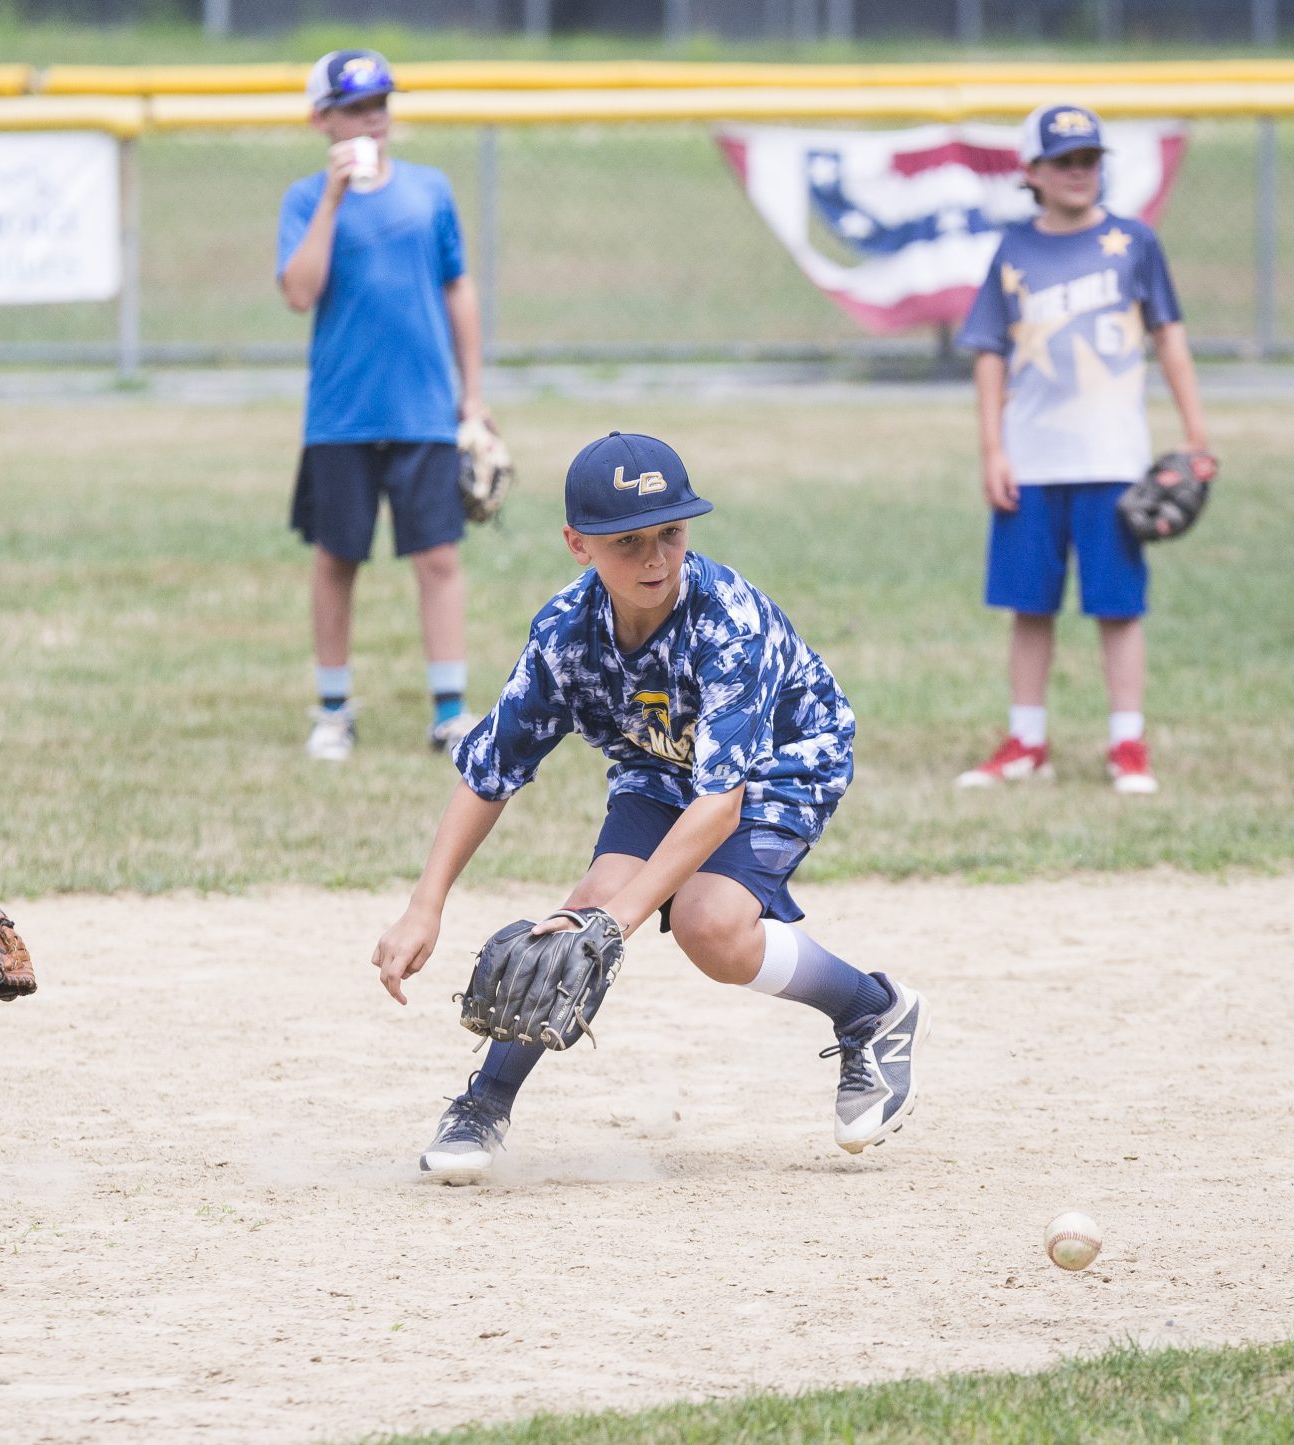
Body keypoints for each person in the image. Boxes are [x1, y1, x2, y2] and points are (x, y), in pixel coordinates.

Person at [372, 432, 928, 1184]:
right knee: (589, 903)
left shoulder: (726, 625)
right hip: (658, 761)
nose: (655, 558)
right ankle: (483, 1102)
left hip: (781, 766)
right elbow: (488, 771)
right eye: (626, 541)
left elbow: (720, 805)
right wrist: (424, 906)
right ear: (578, 545)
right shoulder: (566, 636)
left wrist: (616, 926)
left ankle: (871, 1009)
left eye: (671, 532)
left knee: (708, 924)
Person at [954, 103, 1215, 795]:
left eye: (1090, 159)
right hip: (1032, 457)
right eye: (1064, 160)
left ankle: (1128, 742)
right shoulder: (1014, 250)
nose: (1080, 172)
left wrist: (1195, 435)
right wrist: (992, 450)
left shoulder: (1134, 243)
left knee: (1117, 605)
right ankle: (1026, 740)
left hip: (1114, 460)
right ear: (1032, 171)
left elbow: (1170, 339)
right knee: (1028, 602)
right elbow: (988, 354)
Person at [276, 48, 489, 763]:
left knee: (438, 558)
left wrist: (474, 397)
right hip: (343, 413)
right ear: (321, 120)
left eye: (380, 106)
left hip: (424, 408)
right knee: (337, 559)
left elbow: (456, 288)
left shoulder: (430, 189)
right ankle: (333, 710)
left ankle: (450, 711)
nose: (373, 120)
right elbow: (299, 292)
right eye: (355, 109)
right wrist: (334, 200)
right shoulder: (307, 199)